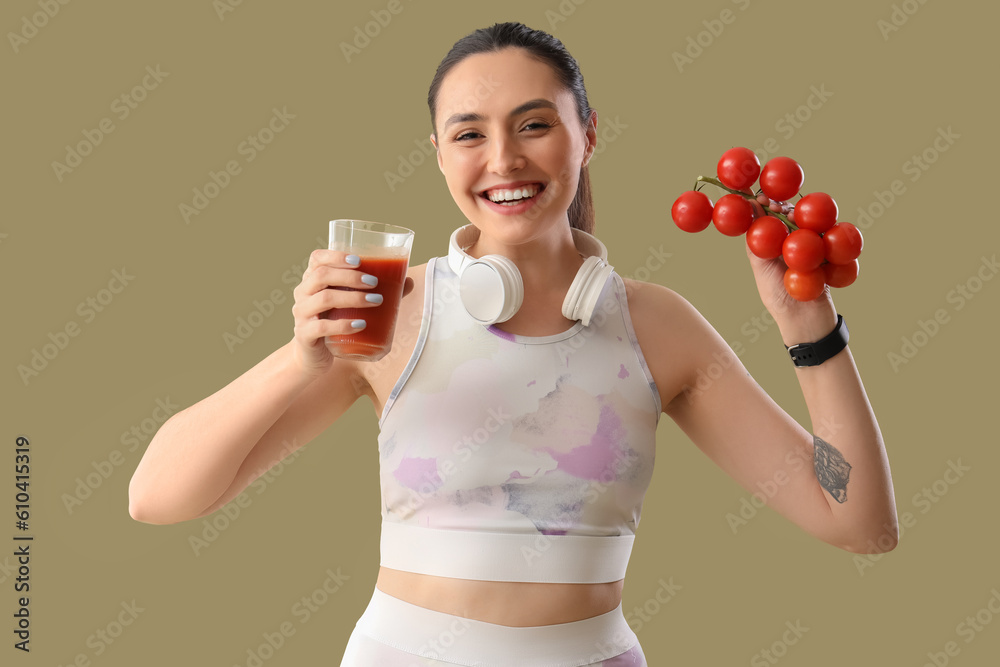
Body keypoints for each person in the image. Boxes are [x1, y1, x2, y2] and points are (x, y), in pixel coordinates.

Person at [128, 21, 898, 666]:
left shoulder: (657, 326)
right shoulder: (388, 311)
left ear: (587, 134)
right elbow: (155, 496)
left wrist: (809, 329)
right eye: (470, 134)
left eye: (535, 124)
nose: (503, 160)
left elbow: (858, 519)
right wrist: (300, 359)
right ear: (437, 150)